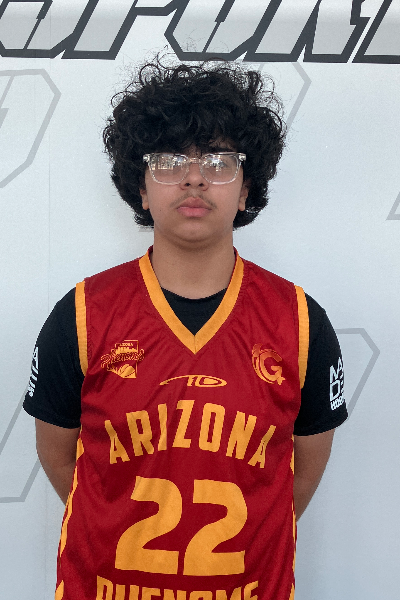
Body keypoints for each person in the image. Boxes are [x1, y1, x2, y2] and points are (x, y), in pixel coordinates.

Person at [24, 58, 347, 600]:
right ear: (141, 189)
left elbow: (301, 471)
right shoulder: (81, 314)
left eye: (219, 161)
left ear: (245, 190)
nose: (194, 177)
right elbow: (61, 459)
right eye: (169, 161)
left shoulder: (299, 320)